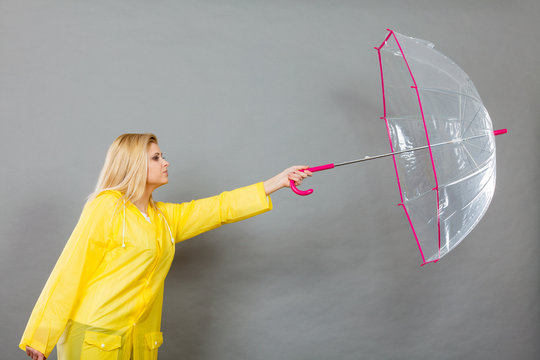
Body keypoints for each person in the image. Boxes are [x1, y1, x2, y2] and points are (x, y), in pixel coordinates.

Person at [20, 133, 312, 360]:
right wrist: (40, 336)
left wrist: (279, 181)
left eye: (162, 155)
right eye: (156, 157)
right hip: (96, 336)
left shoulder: (164, 218)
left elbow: (221, 207)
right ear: (134, 164)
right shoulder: (106, 207)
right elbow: (71, 268)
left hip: (138, 340)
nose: (166, 162)